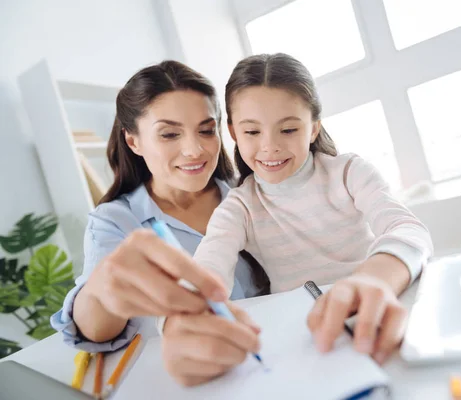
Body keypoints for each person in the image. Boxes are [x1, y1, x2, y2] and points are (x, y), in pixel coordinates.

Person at [188, 53, 434, 366]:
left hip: (377, 317)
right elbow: (209, 269)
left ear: (313, 128)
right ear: (234, 132)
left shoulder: (348, 173)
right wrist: (194, 310)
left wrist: (373, 280)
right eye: (252, 132)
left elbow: (410, 230)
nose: (270, 146)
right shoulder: (239, 208)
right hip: (306, 339)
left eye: (288, 130)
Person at [51, 60, 268, 386]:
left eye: (206, 131)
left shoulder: (250, 194)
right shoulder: (116, 222)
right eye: (169, 134)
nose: (194, 150)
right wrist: (100, 293)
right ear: (134, 142)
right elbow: (95, 330)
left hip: (271, 362)